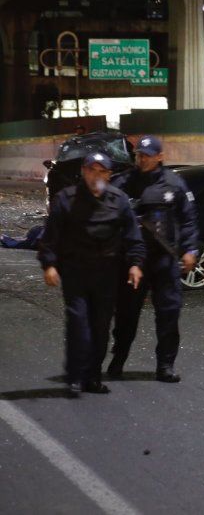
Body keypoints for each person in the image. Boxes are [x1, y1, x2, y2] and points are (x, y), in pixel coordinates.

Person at [37, 152, 145, 397]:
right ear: (84, 172)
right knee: (79, 325)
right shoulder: (66, 199)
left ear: (109, 175)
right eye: (91, 170)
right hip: (76, 272)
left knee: (100, 328)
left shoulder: (118, 200)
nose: (96, 175)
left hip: (107, 275)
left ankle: (92, 377)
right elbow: (50, 237)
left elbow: (133, 237)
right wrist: (49, 265)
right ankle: (75, 377)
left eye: (102, 171)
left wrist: (135, 264)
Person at [108, 135, 198, 383]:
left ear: (160, 157)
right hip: (132, 262)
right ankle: (118, 358)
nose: (142, 159)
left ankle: (165, 365)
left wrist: (190, 250)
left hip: (163, 260)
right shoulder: (123, 182)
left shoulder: (174, 183)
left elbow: (188, 220)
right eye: (139, 155)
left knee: (169, 313)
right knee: (126, 314)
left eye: (147, 155)